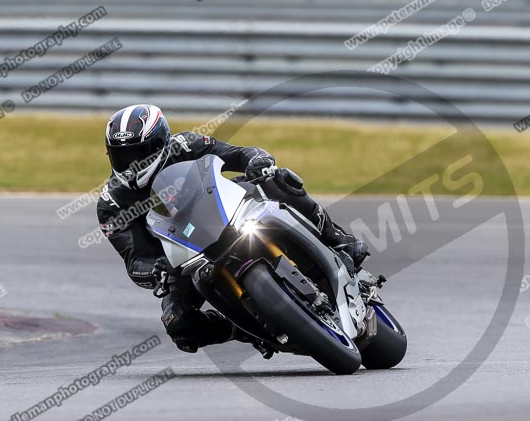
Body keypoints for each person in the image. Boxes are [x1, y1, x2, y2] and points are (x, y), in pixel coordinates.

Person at [97, 104, 367, 353]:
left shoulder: (185, 144)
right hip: (182, 259)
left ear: (161, 144)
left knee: (278, 179)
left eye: (139, 153)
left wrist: (257, 161)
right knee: (179, 324)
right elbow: (135, 261)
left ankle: (338, 239)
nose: (131, 164)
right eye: (122, 155)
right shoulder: (112, 204)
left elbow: (237, 154)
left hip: (225, 212)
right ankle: (242, 329)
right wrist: (155, 270)